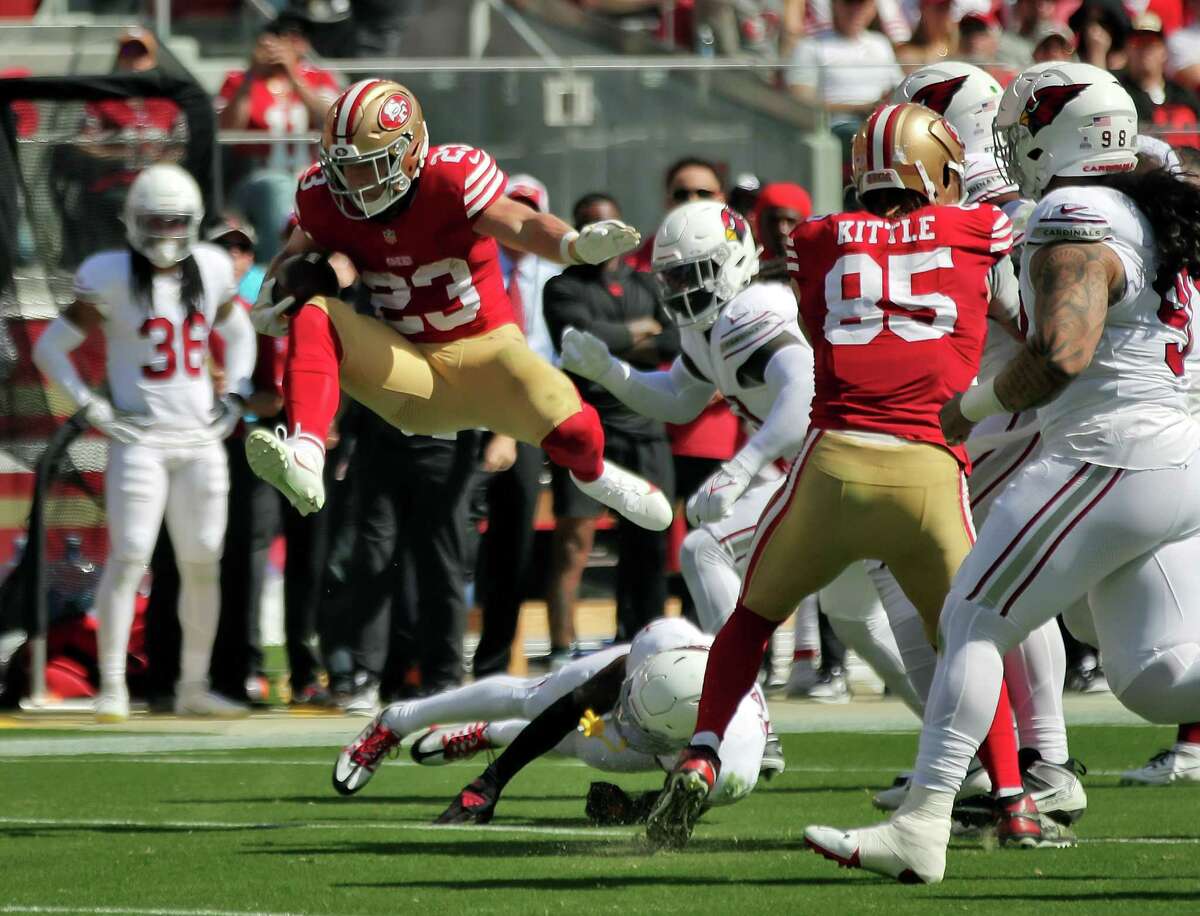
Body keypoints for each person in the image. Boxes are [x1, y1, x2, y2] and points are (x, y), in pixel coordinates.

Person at [805, 62, 1200, 885]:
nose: (1012, 143)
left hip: (1108, 451)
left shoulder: (1076, 209)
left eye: (1025, 127)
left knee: (974, 614)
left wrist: (969, 408)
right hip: (1173, 453)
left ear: (1062, 133)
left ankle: (923, 823)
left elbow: (1061, 352)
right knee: (1158, 677)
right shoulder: (1151, 208)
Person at [648, 102, 1039, 851]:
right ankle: (1015, 798)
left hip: (832, 462)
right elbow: (1013, 306)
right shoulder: (979, 229)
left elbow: (824, 312)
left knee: (753, 618)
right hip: (929, 465)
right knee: (970, 637)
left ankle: (701, 752)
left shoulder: (817, 237)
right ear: (935, 170)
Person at [245, 79, 671, 540]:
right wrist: (272, 296)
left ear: (410, 153)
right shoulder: (324, 198)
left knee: (577, 430)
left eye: (370, 167)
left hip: (486, 353)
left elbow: (523, 223)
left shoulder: (451, 179)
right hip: (408, 373)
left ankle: (595, 476)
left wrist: (571, 244)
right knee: (316, 311)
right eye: (344, 168)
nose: (355, 184)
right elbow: (293, 259)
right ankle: (306, 452)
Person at [562, 199, 927, 715]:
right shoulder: (713, 323)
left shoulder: (750, 310)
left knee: (704, 549)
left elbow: (803, 393)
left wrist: (740, 468)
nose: (683, 289)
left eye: (695, 273)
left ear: (733, 262)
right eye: (673, 277)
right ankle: (961, 748)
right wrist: (609, 372)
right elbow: (678, 397)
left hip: (852, 464)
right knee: (854, 617)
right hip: (835, 467)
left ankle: (746, 715)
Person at [31, 164, 256, 721]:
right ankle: (112, 686)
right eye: (153, 222)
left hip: (200, 437)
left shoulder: (210, 265)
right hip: (141, 438)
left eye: (173, 222)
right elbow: (51, 348)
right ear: (132, 221)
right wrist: (94, 407)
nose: (163, 233)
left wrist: (238, 396)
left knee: (203, 559)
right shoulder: (108, 274)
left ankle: (193, 685)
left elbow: (238, 330)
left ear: (193, 222)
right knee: (130, 555)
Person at [331, 616, 777, 822]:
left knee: (597, 746)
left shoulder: (734, 765)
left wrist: (630, 810)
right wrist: (490, 784)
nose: (624, 716)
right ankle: (397, 720)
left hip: (673, 753)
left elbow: (673, 817)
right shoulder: (660, 649)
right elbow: (575, 705)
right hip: (644, 697)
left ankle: (494, 734)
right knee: (534, 701)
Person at [544, 193, 679, 649]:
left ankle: (646, 641)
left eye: (608, 225)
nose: (601, 235)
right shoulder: (562, 287)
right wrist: (641, 332)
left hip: (645, 423)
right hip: (586, 423)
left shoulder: (650, 285)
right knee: (573, 544)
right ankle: (563, 649)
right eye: (589, 227)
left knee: (650, 542)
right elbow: (576, 340)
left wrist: (616, 344)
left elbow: (674, 341)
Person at [472, 174, 562, 677]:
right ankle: (429, 659)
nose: (519, 222)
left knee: (515, 543)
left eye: (530, 210)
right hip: (471, 410)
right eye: (513, 209)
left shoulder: (552, 279)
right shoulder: (475, 265)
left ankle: (493, 660)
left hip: (528, 418)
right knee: (454, 537)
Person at [215, 14, 341, 260]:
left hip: (311, 174)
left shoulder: (318, 78)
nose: (293, 43)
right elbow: (228, 129)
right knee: (277, 187)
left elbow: (331, 119)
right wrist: (251, 75)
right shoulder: (238, 80)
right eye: (285, 36)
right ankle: (278, 265)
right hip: (254, 179)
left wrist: (293, 75)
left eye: (299, 37)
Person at [786, 0, 903, 130]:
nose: (855, 12)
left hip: (881, 127)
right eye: (849, 4)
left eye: (862, 6)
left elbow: (899, 88)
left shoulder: (881, 44)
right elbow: (800, 104)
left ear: (872, 9)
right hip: (835, 128)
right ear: (834, 5)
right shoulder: (810, 46)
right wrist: (859, 109)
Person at [1120, 13, 1200, 149]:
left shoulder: (1182, 96)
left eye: (1151, 42)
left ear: (1163, 51)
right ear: (1127, 50)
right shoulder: (1120, 94)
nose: (1144, 50)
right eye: (1137, 43)